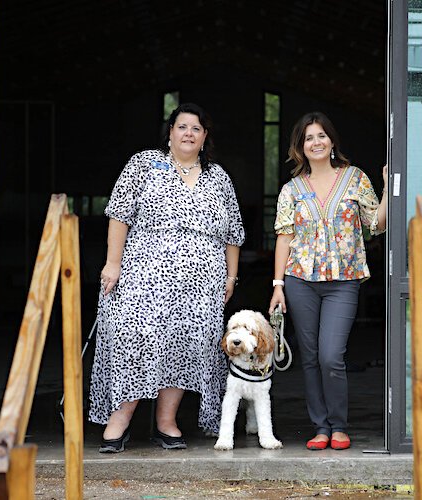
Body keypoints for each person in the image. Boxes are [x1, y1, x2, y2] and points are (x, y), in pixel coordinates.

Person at [89, 102, 245, 453]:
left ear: (205, 137)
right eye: (182, 127)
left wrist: (230, 278)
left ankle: (166, 422)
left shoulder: (218, 177)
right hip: (143, 275)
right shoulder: (143, 164)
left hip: (202, 283)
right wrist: (113, 263)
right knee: (134, 339)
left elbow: (233, 233)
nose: (188, 133)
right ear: (170, 132)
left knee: (184, 347)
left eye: (196, 128)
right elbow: (119, 214)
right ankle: (120, 419)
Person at [268, 112, 387, 450]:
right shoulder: (292, 190)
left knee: (331, 355)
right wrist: (278, 286)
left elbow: (375, 224)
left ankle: (339, 425)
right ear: (300, 147)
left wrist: (390, 188)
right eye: (309, 138)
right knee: (308, 356)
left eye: (321, 136)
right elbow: (284, 237)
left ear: (332, 141)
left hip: (343, 281)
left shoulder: (355, 179)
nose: (316, 142)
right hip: (299, 280)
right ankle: (320, 427)